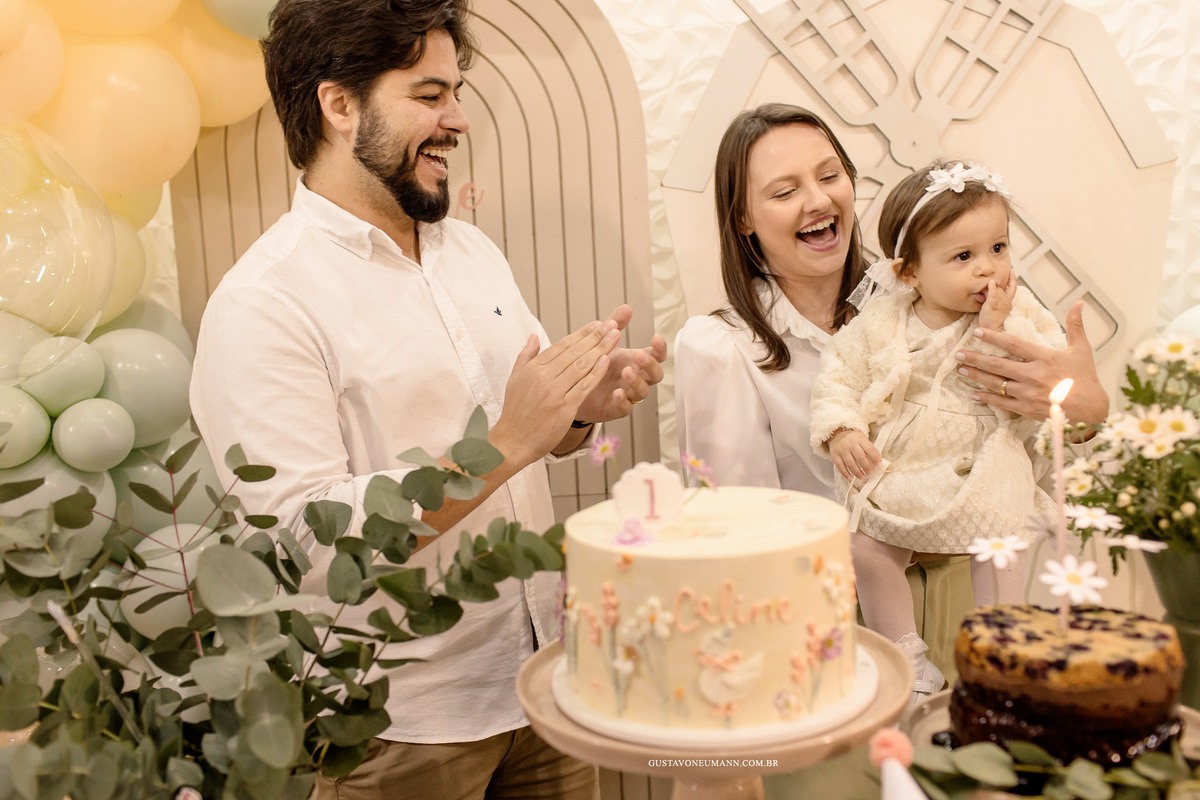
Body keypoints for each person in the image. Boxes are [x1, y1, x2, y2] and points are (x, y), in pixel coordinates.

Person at [189, 1, 665, 798]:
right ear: (340, 106)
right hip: (397, 728)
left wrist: (579, 409)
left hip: (546, 684)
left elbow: (526, 423)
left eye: (456, 90)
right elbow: (305, 547)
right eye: (430, 95)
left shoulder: (469, 250)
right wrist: (507, 442)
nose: (458, 119)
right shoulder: (263, 305)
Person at [674, 103, 1107, 496]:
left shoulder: (942, 299)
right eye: (785, 192)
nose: (819, 200)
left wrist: (1084, 417)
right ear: (743, 218)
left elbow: (1036, 477)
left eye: (830, 176)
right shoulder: (722, 349)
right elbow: (741, 528)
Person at [809, 159, 1065, 703]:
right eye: (964, 257)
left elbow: (1043, 367)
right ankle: (903, 652)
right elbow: (838, 376)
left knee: (1003, 545)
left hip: (986, 454)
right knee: (866, 547)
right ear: (908, 273)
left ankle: (1000, 651)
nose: (989, 271)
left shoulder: (1018, 309)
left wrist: (995, 329)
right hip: (907, 458)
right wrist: (843, 431)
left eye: (998, 248)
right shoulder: (883, 318)